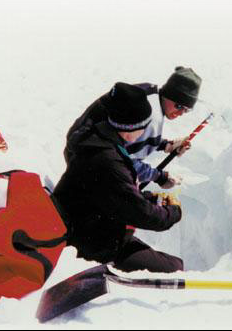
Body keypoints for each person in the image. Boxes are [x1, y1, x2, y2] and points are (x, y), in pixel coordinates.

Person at [53, 82, 184, 273]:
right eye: (145, 126)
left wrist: (151, 198)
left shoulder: (100, 140)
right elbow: (141, 214)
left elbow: (114, 193)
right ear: (131, 128)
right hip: (91, 243)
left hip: (90, 224)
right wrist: (173, 212)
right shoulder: (108, 162)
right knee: (175, 267)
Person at [63, 66, 202, 190]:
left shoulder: (148, 94)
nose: (180, 113)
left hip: (79, 146)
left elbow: (130, 141)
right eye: (179, 106)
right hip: (87, 160)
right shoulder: (150, 114)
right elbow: (123, 161)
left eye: (186, 110)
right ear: (168, 94)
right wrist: (159, 176)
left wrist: (167, 145)